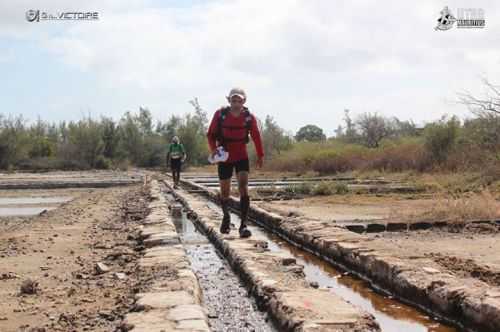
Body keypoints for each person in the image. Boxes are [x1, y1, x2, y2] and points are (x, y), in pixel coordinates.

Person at [207, 88, 264, 238]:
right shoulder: (220, 114)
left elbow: (256, 136)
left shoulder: (249, 117)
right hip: (224, 157)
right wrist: (213, 150)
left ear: (244, 101)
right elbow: (210, 134)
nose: (236, 104)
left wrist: (260, 155)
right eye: (234, 100)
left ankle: (243, 225)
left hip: (241, 156)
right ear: (229, 100)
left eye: (239, 101)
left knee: (243, 188)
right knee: (225, 192)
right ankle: (226, 217)